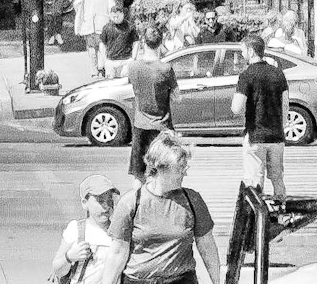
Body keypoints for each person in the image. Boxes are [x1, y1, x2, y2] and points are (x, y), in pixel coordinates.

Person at [94, 130, 221, 284]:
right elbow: (118, 252)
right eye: (180, 168)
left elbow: (207, 247)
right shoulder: (131, 203)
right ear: (161, 168)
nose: (185, 173)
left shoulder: (193, 200)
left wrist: (217, 281)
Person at [231, 29, 290, 204]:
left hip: (256, 135)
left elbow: (236, 108)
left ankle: (257, 219)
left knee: (255, 180)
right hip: (277, 136)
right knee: (277, 178)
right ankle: (282, 210)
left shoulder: (247, 75)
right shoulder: (278, 74)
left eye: (243, 51)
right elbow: (285, 104)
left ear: (250, 51)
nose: (242, 54)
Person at [51, 170, 127, 284]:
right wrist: (69, 257)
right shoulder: (76, 229)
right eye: (100, 201)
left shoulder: (119, 233)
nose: (106, 207)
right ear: (84, 203)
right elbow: (57, 269)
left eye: (110, 201)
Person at [127, 22, 178, 180]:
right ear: (160, 43)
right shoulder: (166, 69)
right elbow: (177, 96)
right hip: (161, 126)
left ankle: (137, 203)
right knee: (161, 173)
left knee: (138, 174)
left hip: (140, 125)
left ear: (143, 42)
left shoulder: (133, 67)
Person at [74, 0, 115, 77]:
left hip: (88, 24)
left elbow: (76, 3)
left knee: (91, 48)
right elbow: (113, 8)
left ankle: (94, 71)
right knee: (103, 47)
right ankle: (103, 68)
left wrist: (80, 13)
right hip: (103, 25)